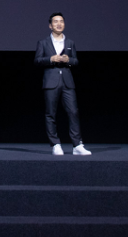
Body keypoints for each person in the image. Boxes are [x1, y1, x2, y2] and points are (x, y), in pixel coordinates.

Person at [34, 12, 91, 156]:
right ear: (50, 25)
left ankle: (77, 145)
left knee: (73, 112)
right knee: (51, 113)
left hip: (67, 82)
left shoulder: (70, 42)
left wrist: (68, 60)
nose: (59, 24)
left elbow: (75, 61)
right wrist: (51, 59)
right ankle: (55, 144)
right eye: (55, 21)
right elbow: (37, 60)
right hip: (51, 81)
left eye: (61, 21)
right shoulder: (43, 43)